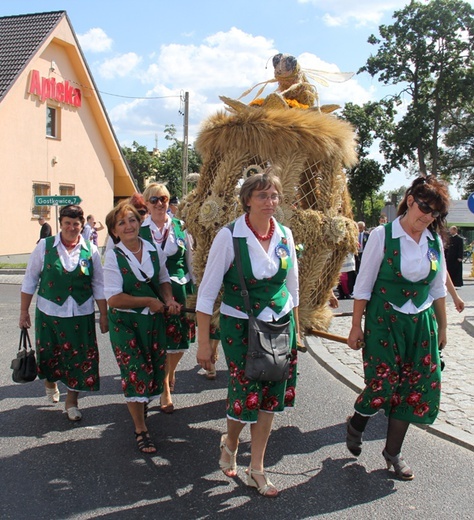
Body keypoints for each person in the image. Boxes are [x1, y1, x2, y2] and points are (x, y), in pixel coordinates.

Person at [196, 170, 299, 498]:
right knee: (246, 391)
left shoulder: (286, 234)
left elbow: (291, 287)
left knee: (269, 395)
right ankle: (230, 442)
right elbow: (207, 292)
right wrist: (202, 343)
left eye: (274, 196)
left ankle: (257, 468)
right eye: (262, 196)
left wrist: (297, 331)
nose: (270, 202)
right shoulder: (229, 236)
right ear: (247, 200)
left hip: (280, 324)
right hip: (240, 325)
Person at [346, 176, 449, 480]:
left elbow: (437, 287)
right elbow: (362, 286)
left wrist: (443, 329)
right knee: (381, 384)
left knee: (415, 389)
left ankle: (393, 453)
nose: (427, 216)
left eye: (434, 213)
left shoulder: (433, 241)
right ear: (410, 199)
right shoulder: (382, 236)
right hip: (384, 320)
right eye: (424, 207)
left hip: (420, 322)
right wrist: (355, 326)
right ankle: (357, 423)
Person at [104, 201, 180, 453]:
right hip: (125, 323)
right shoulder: (113, 256)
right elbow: (113, 298)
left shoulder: (151, 248)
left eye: (132, 220)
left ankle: (141, 403)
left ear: (140, 222)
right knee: (135, 372)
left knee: (153, 369)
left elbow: (163, 279)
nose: (128, 226)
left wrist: (168, 299)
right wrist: (149, 301)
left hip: (152, 322)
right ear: (115, 231)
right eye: (122, 223)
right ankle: (141, 429)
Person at [19, 205, 108, 421]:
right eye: (67, 223)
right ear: (61, 223)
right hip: (50, 312)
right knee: (49, 357)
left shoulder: (90, 249)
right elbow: (30, 279)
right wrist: (24, 312)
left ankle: (72, 402)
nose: (71, 228)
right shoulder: (45, 246)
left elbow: (98, 284)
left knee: (79, 359)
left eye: (76, 224)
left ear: (82, 225)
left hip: (81, 313)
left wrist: (104, 314)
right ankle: (50, 382)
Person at [141, 184, 195, 413]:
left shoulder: (181, 226)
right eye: (154, 199)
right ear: (146, 204)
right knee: (158, 339)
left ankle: (169, 373)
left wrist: (197, 290)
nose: (159, 203)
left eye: (163, 198)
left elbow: (191, 259)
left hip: (180, 289)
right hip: (152, 291)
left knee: (180, 340)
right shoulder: (139, 229)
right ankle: (164, 387)